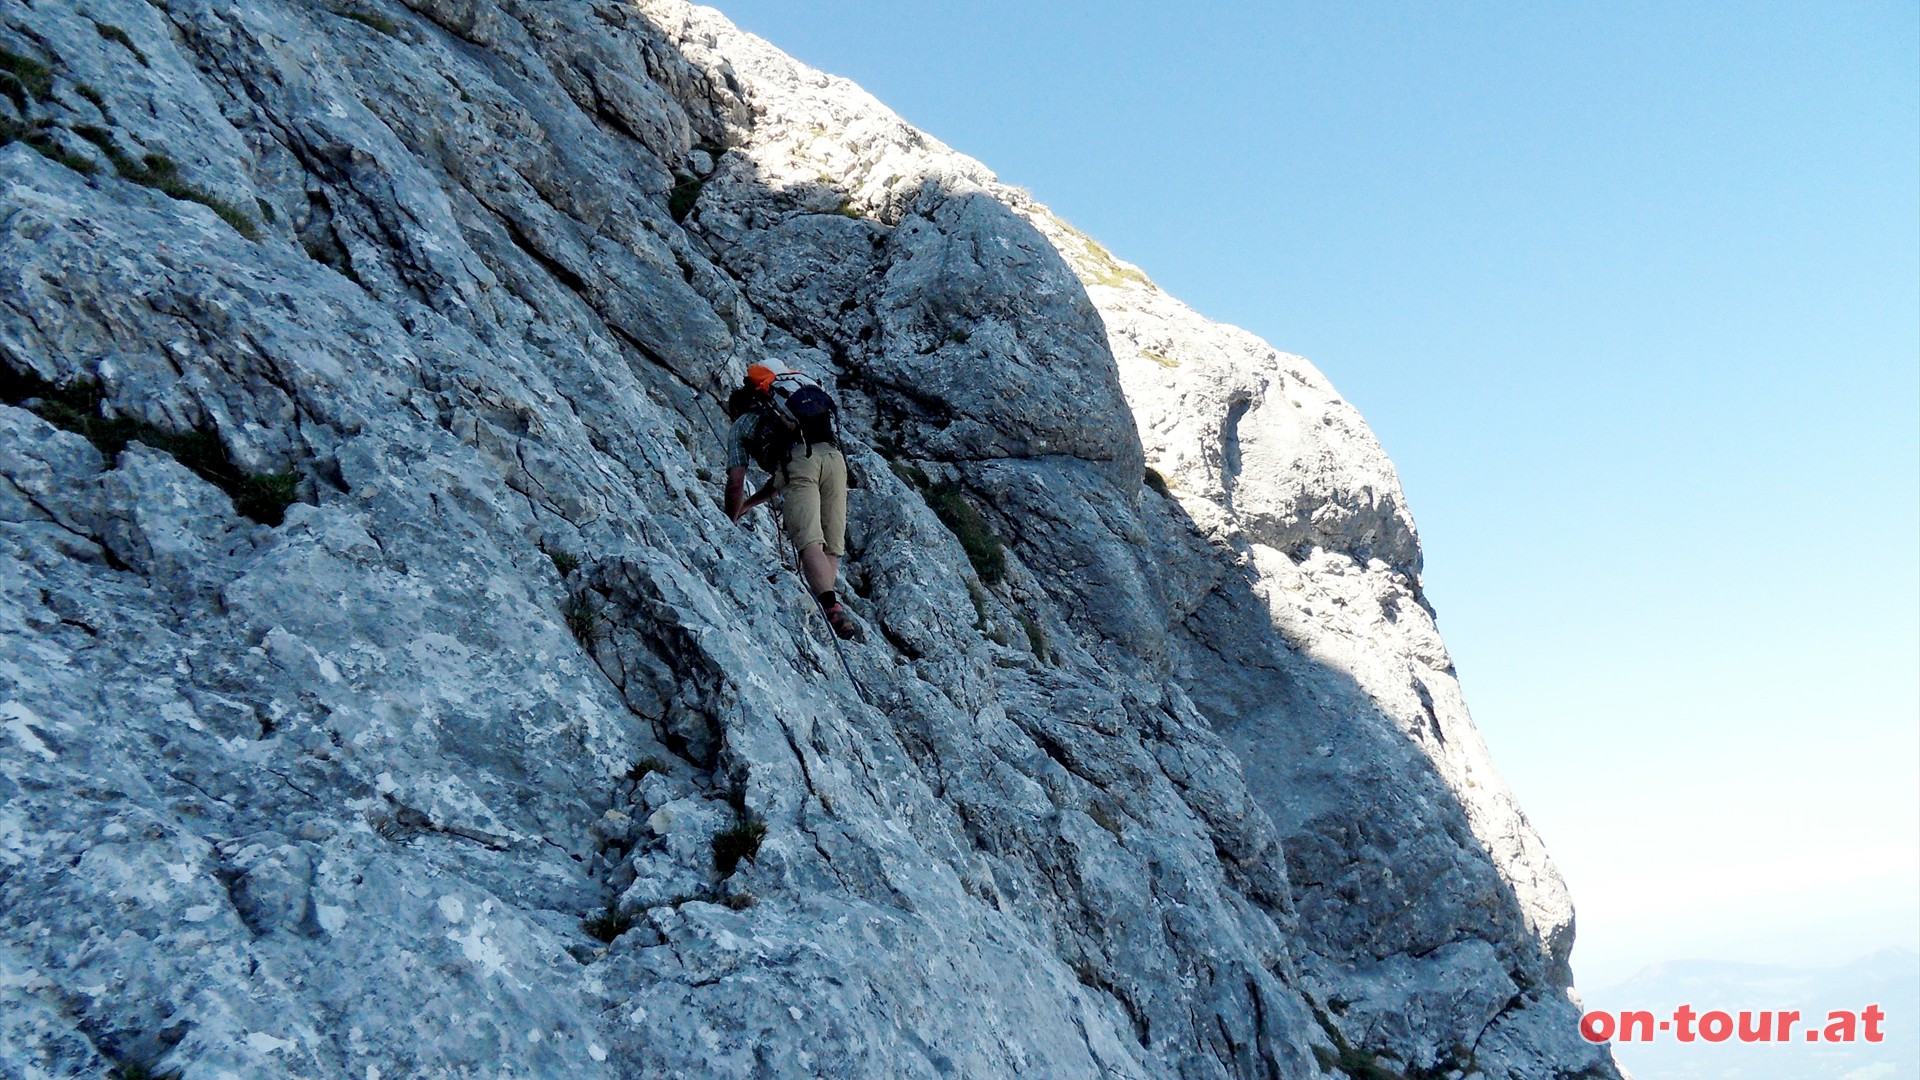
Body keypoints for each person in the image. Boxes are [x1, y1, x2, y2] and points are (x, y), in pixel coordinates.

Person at [724, 364, 864, 641]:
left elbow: (735, 482)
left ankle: (829, 606)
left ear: (736, 409)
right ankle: (830, 606)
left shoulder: (741, 426)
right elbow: (781, 480)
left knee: (809, 540)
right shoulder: (788, 412)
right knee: (831, 545)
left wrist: (729, 521)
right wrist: (751, 504)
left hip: (800, 463)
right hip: (835, 460)